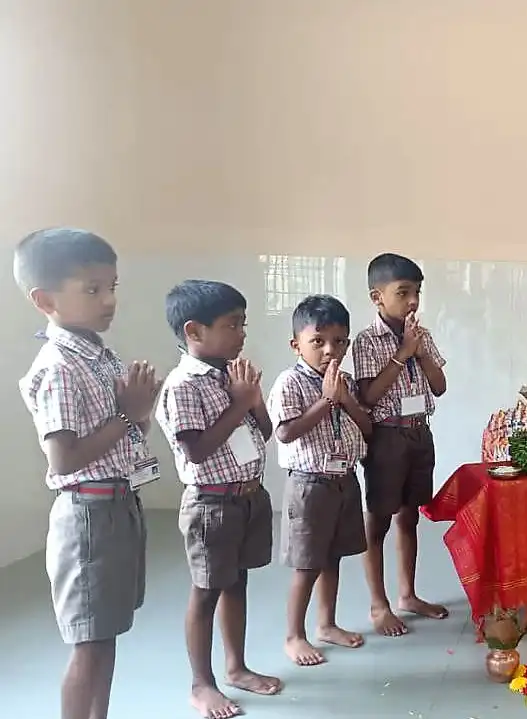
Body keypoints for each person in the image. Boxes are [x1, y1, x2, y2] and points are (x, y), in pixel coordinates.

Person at [15, 228, 161, 719]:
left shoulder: (98, 354)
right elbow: (64, 458)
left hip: (118, 503)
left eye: (112, 286)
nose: (109, 300)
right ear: (44, 299)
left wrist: (138, 412)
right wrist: (127, 415)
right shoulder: (59, 366)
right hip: (88, 516)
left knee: (107, 633)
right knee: (89, 642)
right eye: (92, 289)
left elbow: (122, 428)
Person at [156, 280, 280, 717]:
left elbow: (262, 433)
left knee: (237, 582)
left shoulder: (230, 374)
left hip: (248, 496)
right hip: (211, 505)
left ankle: (237, 667)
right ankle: (201, 684)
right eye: (232, 325)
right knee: (206, 591)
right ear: (195, 331)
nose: (242, 333)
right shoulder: (182, 385)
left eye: (242, 323)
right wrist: (239, 401)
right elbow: (197, 449)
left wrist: (254, 400)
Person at [267, 295, 373, 666]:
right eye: (318, 342)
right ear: (296, 344)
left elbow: (367, 427)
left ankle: (326, 624)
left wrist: (345, 400)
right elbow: (285, 432)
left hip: (345, 478)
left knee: (333, 557)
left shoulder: (343, 381)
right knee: (307, 562)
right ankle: (294, 635)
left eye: (340, 341)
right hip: (309, 485)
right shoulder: (288, 382)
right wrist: (326, 402)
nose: (331, 350)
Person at [354, 253, 449, 636]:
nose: (413, 301)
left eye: (417, 292)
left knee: (410, 515)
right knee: (377, 521)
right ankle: (379, 604)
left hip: (418, 432)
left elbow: (439, 387)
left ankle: (408, 594)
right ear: (377, 297)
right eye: (403, 292)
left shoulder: (421, 335)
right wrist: (401, 355)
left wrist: (420, 351)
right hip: (386, 436)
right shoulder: (365, 341)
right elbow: (370, 396)